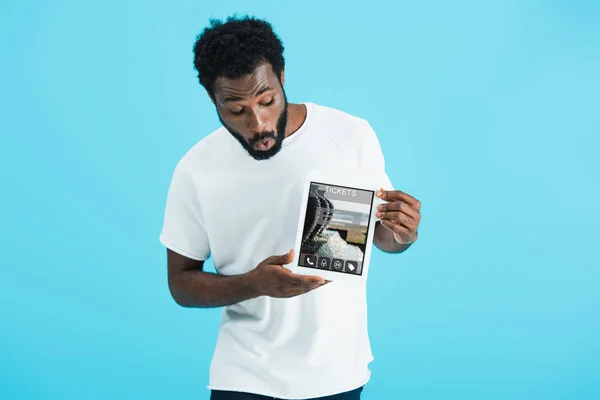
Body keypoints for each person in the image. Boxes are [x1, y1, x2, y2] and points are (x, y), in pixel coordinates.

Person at [159, 15, 422, 400]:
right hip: (244, 375)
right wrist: (253, 284)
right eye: (236, 110)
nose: (259, 123)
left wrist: (404, 233)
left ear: (282, 75)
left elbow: (382, 238)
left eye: (267, 100)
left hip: (337, 373)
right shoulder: (196, 168)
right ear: (212, 98)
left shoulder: (350, 135)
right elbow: (180, 284)